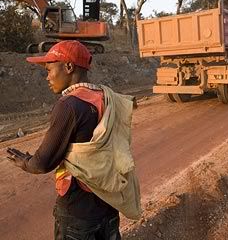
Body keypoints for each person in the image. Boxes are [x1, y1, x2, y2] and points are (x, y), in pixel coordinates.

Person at [6, 40, 141, 239]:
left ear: (68, 67)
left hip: (78, 212)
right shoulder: (106, 96)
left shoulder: (69, 105)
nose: (47, 77)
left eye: (49, 69)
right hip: (108, 203)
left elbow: (42, 163)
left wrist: (25, 162)